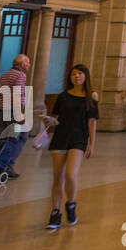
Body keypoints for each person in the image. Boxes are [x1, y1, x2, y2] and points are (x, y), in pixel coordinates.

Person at [42, 64, 98, 228]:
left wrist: (91, 144)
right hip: (60, 138)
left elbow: (92, 122)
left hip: (78, 139)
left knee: (70, 175)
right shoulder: (63, 96)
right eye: (73, 74)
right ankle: (55, 212)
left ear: (85, 76)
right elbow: (57, 117)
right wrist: (50, 121)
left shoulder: (91, 97)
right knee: (57, 176)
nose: (77, 77)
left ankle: (71, 204)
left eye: (80, 74)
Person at [0, 53, 31, 175]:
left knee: (1, 138)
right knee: (21, 136)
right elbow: (17, 95)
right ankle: (8, 164)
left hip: (0, 110)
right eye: (28, 62)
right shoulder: (20, 75)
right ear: (22, 64)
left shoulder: (4, 74)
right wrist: (19, 115)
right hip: (12, 112)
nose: (29, 65)